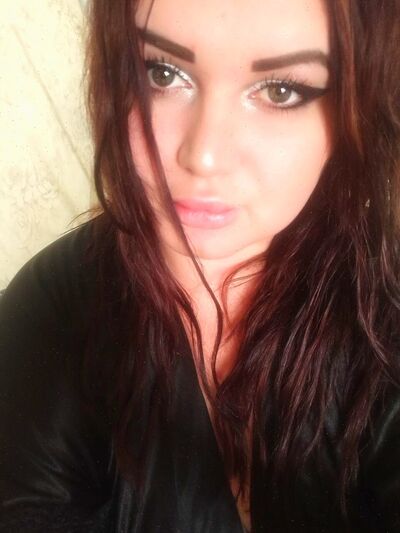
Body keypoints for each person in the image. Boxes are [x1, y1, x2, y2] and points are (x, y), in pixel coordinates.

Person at [1, 0, 400, 531]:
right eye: (162, 73)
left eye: (281, 90)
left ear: (356, 108)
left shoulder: (383, 303)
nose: (203, 156)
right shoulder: (48, 316)